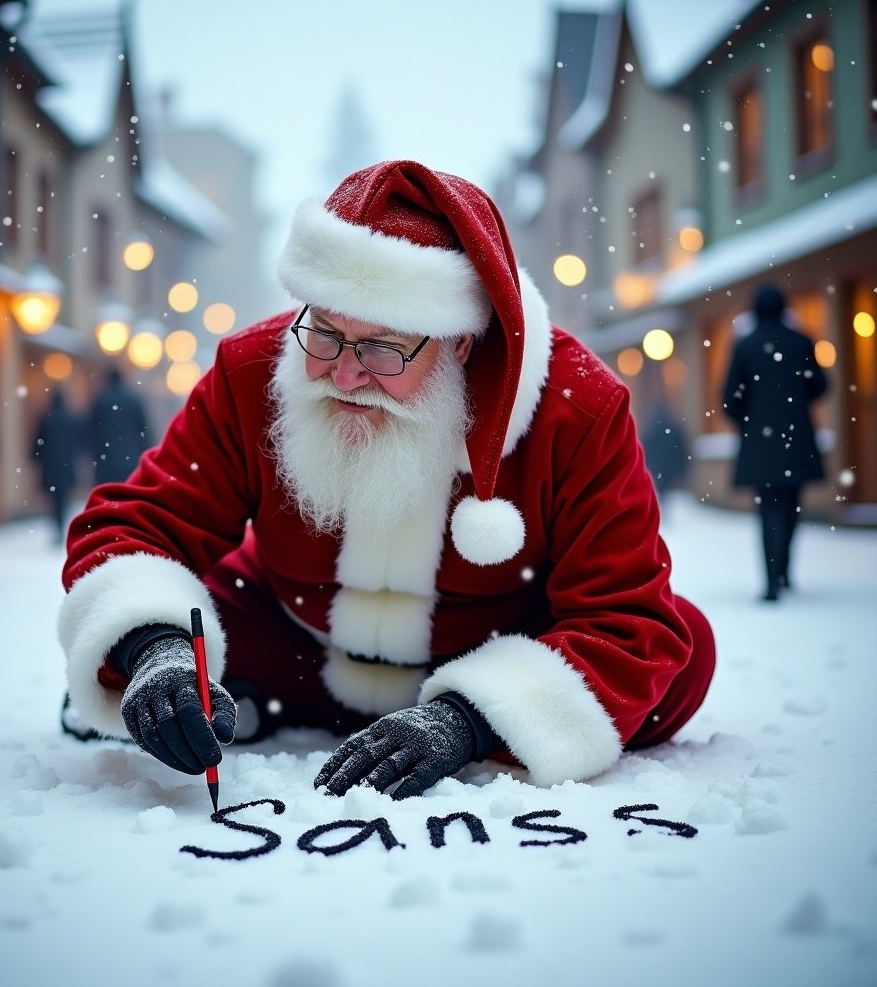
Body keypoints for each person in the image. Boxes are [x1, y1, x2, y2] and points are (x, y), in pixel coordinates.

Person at [58, 160, 716, 798]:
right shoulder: (251, 371)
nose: (344, 374)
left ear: (461, 340)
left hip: (486, 654)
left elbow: (623, 614)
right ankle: (193, 696)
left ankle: (461, 715)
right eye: (326, 331)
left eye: (382, 347)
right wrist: (151, 645)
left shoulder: (576, 408)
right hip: (294, 648)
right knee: (159, 621)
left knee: (681, 649)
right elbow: (136, 522)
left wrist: (470, 719)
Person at [722, 283, 829, 601]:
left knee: (768, 509)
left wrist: (751, 423)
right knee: (792, 505)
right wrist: (795, 407)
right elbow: (821, 386)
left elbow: (729, 398)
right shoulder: (801, 342)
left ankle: (772, 580)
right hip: (796, 438)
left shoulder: (745, 346)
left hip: (761, 443)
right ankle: (782, 571)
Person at [32, 389, 83, 542]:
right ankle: (61, 526)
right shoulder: (71, 419)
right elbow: (79, 443)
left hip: (51, 466)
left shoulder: (46, 419)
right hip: (66, 465)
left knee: (54, 499)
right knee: (63, 498)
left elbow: (37, 444)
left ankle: (57, 526)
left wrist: (36, 459)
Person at [87, 367, 149, 486]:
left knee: (108, 497)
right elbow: (143, 432)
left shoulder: (100, 401)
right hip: (130, 459)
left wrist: (95, 454)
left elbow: (92, 432)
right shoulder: (134, 401)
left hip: (106, 462)